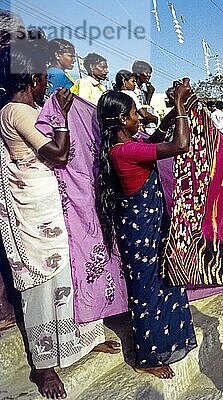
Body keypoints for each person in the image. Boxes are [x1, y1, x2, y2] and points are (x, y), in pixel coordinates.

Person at [0, 39, 119, 399]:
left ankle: (77, 342)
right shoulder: (17, 112)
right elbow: (60, 154)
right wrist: (65, 116)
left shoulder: (26, 108)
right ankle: (44, 366)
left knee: (64, 277)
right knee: (39, 287)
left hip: (46, 205)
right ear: (35, 77)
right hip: (32, 212)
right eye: (43, 80)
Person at [95, 81, 197, 379]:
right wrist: (177, 105)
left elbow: (155, 138)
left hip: (146, 225)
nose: (139, 116)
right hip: (141, 229)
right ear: (121, 120)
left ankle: (159, 343)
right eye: (133, 114)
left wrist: (175, 112)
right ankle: (147, 356)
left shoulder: (127, 146)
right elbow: (180, 145)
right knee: (147, 290)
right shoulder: (123, 151)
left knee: (160, 283)